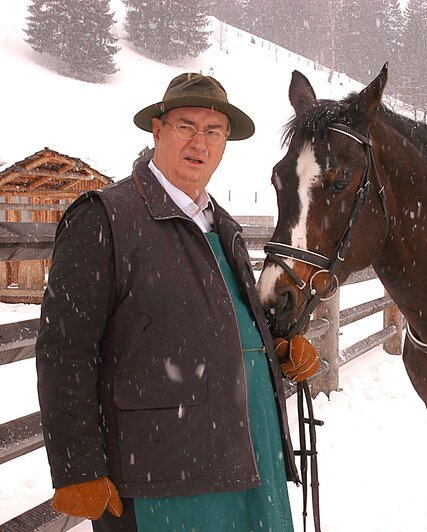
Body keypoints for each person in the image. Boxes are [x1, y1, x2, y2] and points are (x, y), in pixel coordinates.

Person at [36, 73, 319, 531]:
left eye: (214, 131)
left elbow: (222, 318)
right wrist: (76, 466)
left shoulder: (223, 225)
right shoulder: (105, 218)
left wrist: (273, 351)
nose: (199, 142)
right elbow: (64, 349)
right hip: (161, 474)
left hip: (250, 452)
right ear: (157, 131)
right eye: (186, 125)